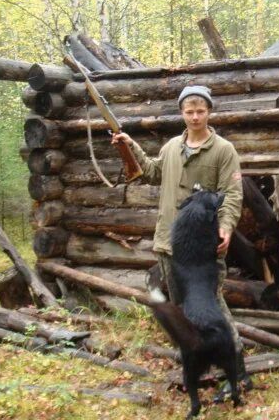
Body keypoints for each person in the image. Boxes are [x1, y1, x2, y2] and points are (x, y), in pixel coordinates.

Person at [111, 85, 252, 400]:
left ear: (209, 112)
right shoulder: (171, 147)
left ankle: (238, 374)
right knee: (184, 313)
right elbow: (150, 173)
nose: (195, 116)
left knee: (213, 309)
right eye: (189, 111)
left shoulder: (223, 150)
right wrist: (129, 146)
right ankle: (198, 367)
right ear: (182, 113)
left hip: (203, 250)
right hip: (168, 244)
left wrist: (227, 227)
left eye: (201, 110)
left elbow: (232, 194)